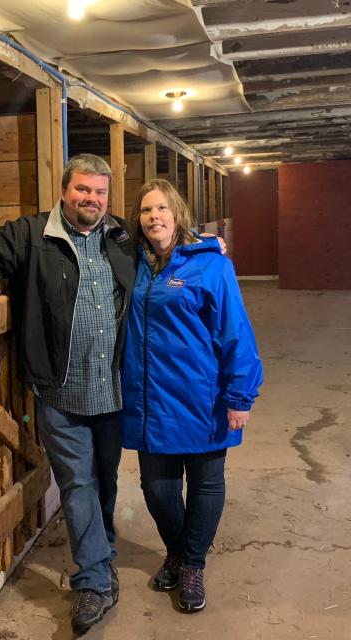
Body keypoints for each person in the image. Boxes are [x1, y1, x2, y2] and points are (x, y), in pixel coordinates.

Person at [0, 154, 136, 635]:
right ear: (64, 189)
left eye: (99, 193)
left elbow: (166, 253)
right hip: (59, 389)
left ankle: (102, 552)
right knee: (78, 483)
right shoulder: (31, 234)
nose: (90, 200)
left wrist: (208, 248)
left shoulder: (120, 236)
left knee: (106, 481)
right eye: (83, 191)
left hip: (113, 389)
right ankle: (93, 580)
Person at [120, 179, 263, 613]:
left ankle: (192, 564)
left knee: (204, 483)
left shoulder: (210, 264)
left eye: (162, 208)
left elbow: (234, 330)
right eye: (146, 210)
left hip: (201, 395)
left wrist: (241, 395)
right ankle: (179, 551)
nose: (154, 217)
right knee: (157, 489)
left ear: (177, 214)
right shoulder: (130, 261)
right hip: (149, 399)